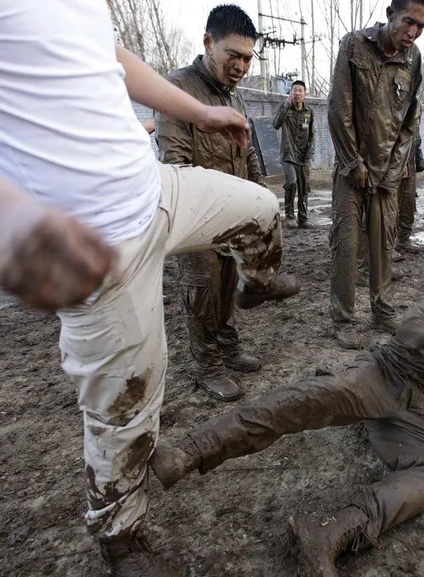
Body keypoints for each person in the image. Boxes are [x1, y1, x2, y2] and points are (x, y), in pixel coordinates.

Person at [0, 0, 301, 577]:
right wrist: (6, 216)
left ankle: (256, 280)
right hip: (90, 244)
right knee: (127, 407)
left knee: (261, 206)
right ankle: (120, 535)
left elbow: (108, 56)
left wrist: (199, 111)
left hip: (156, 194)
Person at [148, 279, 424, 577]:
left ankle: (330, 531)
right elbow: (408, 328)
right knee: (310, 399)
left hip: (416, 409)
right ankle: (191, 450)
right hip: (382, 374)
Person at [157, 5, 277, 403]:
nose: (242, 65)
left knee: (228, 285)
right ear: (209, 43)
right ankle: (206, 364)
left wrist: (261, 202)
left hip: (235, 216)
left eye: (247, 58)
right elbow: (174, 163)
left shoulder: (234, 98)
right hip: (198, 215)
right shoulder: (177, 89)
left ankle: (229, 347)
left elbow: (250, 156)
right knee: (203, 291)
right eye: (234, 55)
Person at [329, 0, 424, 350]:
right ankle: (343, 319)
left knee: (384, 245)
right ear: (390, 14)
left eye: (421, 27)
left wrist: (392, 170)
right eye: (408, 22)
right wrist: (352, 163)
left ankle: (383, 310)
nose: (413, 33)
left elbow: (410, 122)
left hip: (387, 172)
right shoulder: (354, 45)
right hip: (350, 171)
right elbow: (339, 109)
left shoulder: (413, 59)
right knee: (347, 244)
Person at [273, 79, 315, 228]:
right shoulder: (284, 108)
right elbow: (276, 124)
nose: (297, 93)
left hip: (303, 156)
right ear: (290, 92)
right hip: (288, 154)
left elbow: (312, 134)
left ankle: (303, 218)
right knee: (292, 182)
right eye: (294, 90)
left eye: (300, 91)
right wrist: (286, 105)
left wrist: (309, 153)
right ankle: (290, 216)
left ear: (304, 94)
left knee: (304, 186)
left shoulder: (309, 112)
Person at [393, 123, 424, 259]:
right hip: (395, 164)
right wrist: (399, 163)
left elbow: (415, 138)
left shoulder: (416, 106)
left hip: (411, 163)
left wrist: (418, 159)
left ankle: (403, 239)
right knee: (391, 208)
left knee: (408, 203)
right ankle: (387, 246)